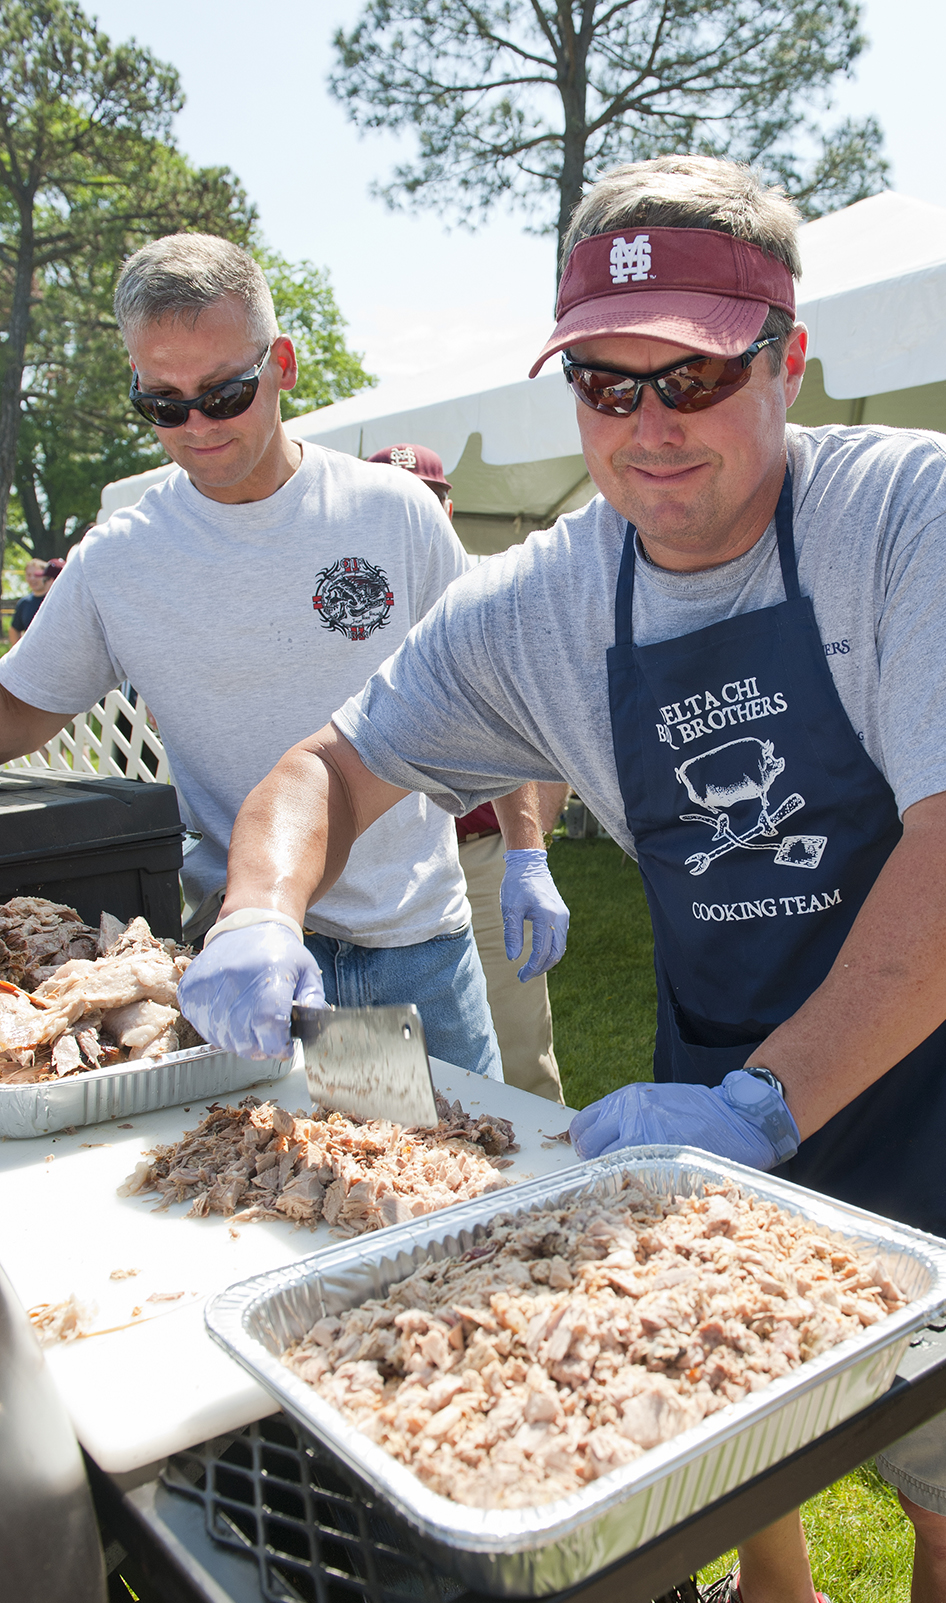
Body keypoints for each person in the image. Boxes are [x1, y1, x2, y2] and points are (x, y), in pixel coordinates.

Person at [178, 157, 946, 1603]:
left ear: (785, 359)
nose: (648, 424)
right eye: (607, 382)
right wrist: (259, 908)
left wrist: (765, 1105)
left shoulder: (910, 507)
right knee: (709, 1394)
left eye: (695, 376)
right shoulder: (541, 599)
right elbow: (318, 771)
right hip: (715, 1057)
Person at [0, 232, 570, 1073]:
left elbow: (490, 688)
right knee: (289, 1191)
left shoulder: (392, 513)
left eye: (224, 393)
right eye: (162, 402)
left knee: (453, 1178)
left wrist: (526, 853)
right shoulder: (119, 559)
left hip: (405, 942)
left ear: (283, 365)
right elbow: (19, 711)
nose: (195, 425)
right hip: (248, 958)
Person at [367, 442, 569, 1100]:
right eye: (387, 501)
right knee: (374, 1082)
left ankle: (545, 1199)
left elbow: (551, 732)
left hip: (480, 857)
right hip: (368, 872)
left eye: (423, 501)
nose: (408, 517)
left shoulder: (492, 599)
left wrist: (526, 849)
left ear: (447, 508)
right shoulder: (341, 611)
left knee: (517, 1061)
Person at [8, 558, 62, 645]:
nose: (32, 579)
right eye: (29, 575)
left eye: (37, 575)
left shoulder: (58, 601)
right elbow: (14, 629)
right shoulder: (24, 603)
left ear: (47, 577)